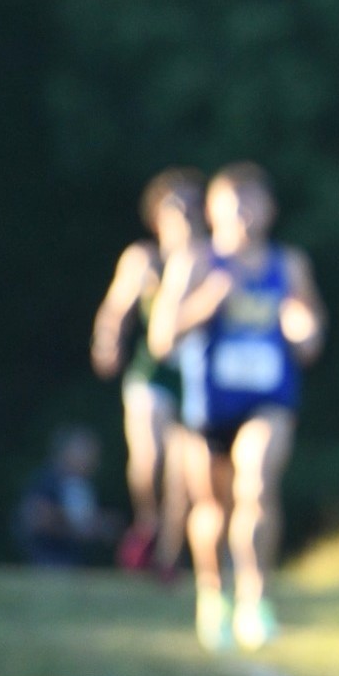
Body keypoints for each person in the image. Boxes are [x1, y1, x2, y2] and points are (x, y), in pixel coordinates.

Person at [148, 163, 325, 652]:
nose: (245, 213)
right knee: (211, 508)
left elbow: (310, 332)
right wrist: (206, 303)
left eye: (254, 201)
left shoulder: (288, 266)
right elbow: (161, 340)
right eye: (235, 201)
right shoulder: (197, 263)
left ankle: (255, 598)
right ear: (214, 209)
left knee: (258, 484)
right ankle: (213, 594)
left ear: (270, 209)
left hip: (267, 400)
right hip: (207, 406)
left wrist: (302, 327)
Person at [89, 168, 202, 575]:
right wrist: (107, 343)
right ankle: (147, 523)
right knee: (148, 456)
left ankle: (168, 558)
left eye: (193, 204)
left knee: (184, 475)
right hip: (151, 372)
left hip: (196, 377)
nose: (186, 213)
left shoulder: (212, 259)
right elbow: (115, 309)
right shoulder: (144, 258)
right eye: (176, 205)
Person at [15, 427, 120, 566]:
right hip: (47, 558)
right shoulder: (48, 481)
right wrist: (81, 526)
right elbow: (36, 518)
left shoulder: (83, 485)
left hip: (75, 561)